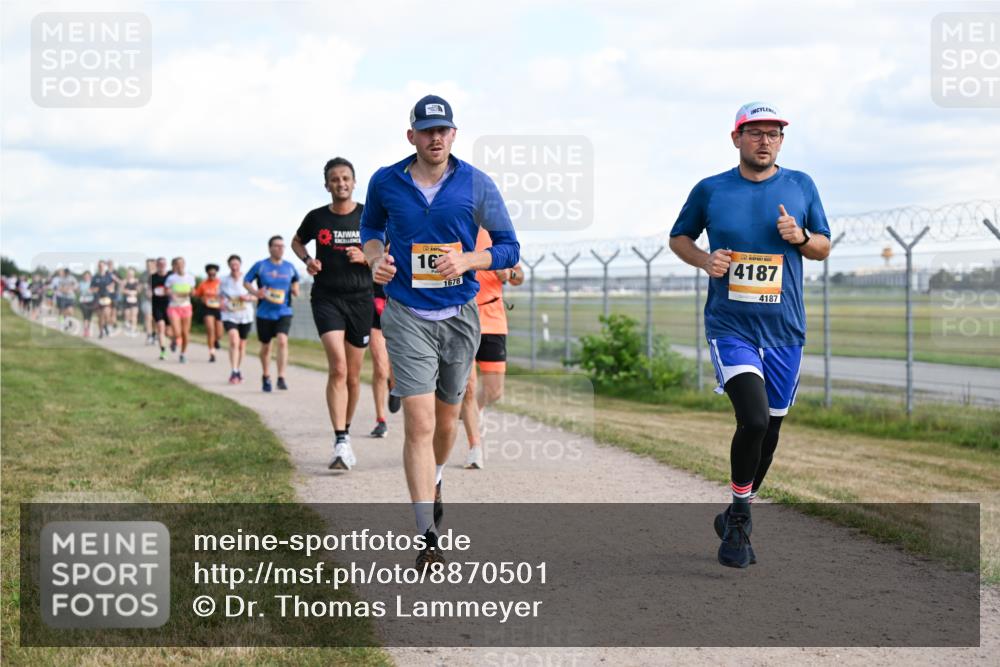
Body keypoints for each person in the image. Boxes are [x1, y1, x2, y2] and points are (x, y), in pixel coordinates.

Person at [668, 101, 832, 569]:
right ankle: (741, 519)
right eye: (755, 133)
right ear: (736, 138)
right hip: (730, 326)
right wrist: (705, 261)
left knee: (771, 430)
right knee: (754, 420)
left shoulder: (801, 186)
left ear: (782, 140)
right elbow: (679, 237)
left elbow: (822, 245)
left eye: (774, 134)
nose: (765, 141)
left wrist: (799, 237)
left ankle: (737, 507)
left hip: (784, 330)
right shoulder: (711, 190)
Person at [360, 94, 519, 569]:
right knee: (420, 422)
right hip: (406, 314)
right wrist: (374, 259)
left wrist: (469, 259)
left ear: (453, 134)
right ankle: (426, 533)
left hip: (459, 314)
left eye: (443, 130)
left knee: (447, 422)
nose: (435, 137)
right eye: (426, 130)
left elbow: (510, 248)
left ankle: (439, 473)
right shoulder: (386, 182)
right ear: (412, 135)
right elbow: (370, 228)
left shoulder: (476, 184)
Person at [292, 157, 373, 469]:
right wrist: (308, 261)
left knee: (353, 375)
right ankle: (339, 440)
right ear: (327, 185)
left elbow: (390, 248)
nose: (341, 183)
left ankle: (347, 434)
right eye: (335, 179)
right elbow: (297, 242)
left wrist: (366, 257)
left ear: (354, 182)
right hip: (327, 297)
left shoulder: (369, 216)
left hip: (361, 299)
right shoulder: (317, 217)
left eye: (346, 178)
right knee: (338, 368)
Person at [460, 227, 524, 469]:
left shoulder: (497, 234)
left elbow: (520, 276)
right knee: (468, 388)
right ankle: (475, 447)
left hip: (493, 318)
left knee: (494, 391)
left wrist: (508, 274)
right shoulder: (454, 227)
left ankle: (474, 411)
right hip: (461, 316)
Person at [245, 236, 300, 392]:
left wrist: (295, 288)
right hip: (264, 313)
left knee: (282, 341)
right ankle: (266, 375)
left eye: (282, 246)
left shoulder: (289, 267)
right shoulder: (261, 266)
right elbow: (246, 281)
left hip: (284, 310)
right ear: (270, 248)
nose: (280, 249)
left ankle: (281, 377)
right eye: (277, 246)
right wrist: (256, 292)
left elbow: (296, 279)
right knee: (266, 347)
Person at [219, 254, 255, 383]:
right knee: (234, 340)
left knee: (241, 344)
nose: (234, 267)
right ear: (229, 266)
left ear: (240, 265)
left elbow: (257, 296)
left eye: (236, 264)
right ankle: (233, 370)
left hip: (245, 315)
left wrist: (249, 298)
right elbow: (220, 296)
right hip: (229, 315)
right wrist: (222, 302)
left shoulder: (248, 279)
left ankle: (238, 369)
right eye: (232, 264)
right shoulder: (223, 280)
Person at [165, 257, 196, 363]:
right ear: (174, 266)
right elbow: (168, 291)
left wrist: (179, 294)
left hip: (186, 306)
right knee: (177, 332)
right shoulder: (171, 278)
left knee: (185, 333)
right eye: (177, 264)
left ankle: (183, 354)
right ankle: (174, 340)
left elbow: (193, 292)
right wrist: (178, 294)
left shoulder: (190, 277)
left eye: (181, 263)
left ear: (184, 264)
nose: (179, 266)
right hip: (173, 307)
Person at [193, 263, 224, 362]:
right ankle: (212, 353)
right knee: (210, 329)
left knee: (219, 333)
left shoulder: (221, 283)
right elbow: (197, 295)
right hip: (207, 308)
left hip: (218, 308)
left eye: (213, 274)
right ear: (207, 273)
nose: (212, 276)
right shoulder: (203, 284)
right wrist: (201, 299)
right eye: (210, 274)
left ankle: (216, 340)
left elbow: (226, 294)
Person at [150, 257, 172, 360]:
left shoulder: (170, 276)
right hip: (156, 305)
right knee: (160, 327)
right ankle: (163, 351)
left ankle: (173, 341)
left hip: (169, 305)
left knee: (168, 332)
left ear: (166, 265)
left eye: (163, 263)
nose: (162, 265)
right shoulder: (152, 277)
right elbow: (147, 290)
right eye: (160, 264)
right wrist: (148, 293)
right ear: (157, 265)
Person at [91, 261, 115, 337]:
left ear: (105, 266)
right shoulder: (95, 277)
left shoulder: (109, 276)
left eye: (102, 265)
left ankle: (106, 326)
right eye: (99, 266)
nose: (101, 267)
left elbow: (112, 286)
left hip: (107, 298)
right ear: (98, 267)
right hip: (98, 298)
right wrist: (95, 289)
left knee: (106, 314)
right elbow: (91, 288)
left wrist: (110, 288)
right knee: (100, 316)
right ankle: (101, 332)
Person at [141, 258, 156, 344]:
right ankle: (149, 335)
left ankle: (154, 334)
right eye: (147, 265)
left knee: (155, 319)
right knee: (148, 316)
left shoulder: (158, 275)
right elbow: (139, 286)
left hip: (157, 300)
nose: (149, 266)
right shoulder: (143, 275)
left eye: (150, 265)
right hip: (145, 299)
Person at [122, 267, 141, 334]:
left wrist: (135, 291)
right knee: (127, 315)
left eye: (132, 273)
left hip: (134, 300)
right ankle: (127, 324)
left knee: (134, 315)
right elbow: (121, 290)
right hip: (127, 301)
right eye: (129, 273)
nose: (130, 274)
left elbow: (139, 290)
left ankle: (133, 329)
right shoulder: (125, 281)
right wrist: (127, 292)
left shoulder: (137, 281)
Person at [78, 270, 95, 337]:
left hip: (91, 301)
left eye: (88, 276)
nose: (86, 277)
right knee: (85, 316)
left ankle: (88, 329)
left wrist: (91, 291)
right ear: (83, 276)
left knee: (89, 317)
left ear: (90, 276)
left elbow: (95, 290)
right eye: (85, 276)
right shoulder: (81, 283)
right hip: (83, 301)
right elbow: (78, 290)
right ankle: (85, 330)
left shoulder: (92, 283)